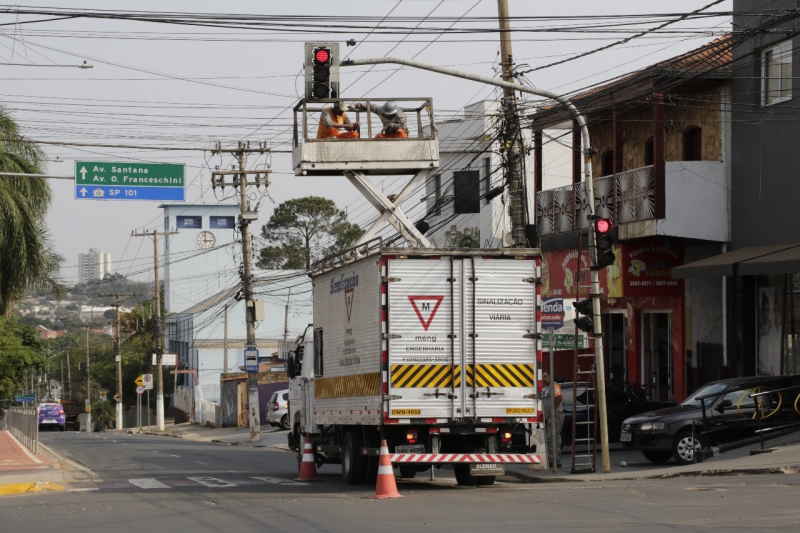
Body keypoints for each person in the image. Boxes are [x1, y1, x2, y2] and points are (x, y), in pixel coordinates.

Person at [542, 371, 564, 468]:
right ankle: (555, 460)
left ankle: (554, 461)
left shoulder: (554, 386)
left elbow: (558, 397)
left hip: (555, 415)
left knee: (551, 438)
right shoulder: (546, 388)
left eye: (546, 377)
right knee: (555, 439)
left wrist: (552, 410)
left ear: (550, 376)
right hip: (549, 417)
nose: (544, 379)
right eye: (542, 377)